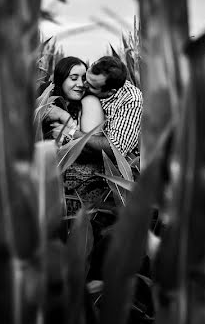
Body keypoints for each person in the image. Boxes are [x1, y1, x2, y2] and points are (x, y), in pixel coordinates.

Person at [39, 57, 107, 214]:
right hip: (53, 193)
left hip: (84, 193)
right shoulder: (48, 103)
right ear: (60, 80)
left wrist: (67, 124)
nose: (81, 84)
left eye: (84, 78)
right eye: (73, 78)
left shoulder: (89, 102)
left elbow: (90, 150)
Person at [51, 55, 143, 171]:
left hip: (114, 170)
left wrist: (69, 129)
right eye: (86, 78)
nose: (83, 84)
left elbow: (115, 149)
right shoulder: (52, 98)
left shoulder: (131, 100)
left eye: (91, 85)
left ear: (110, 92)